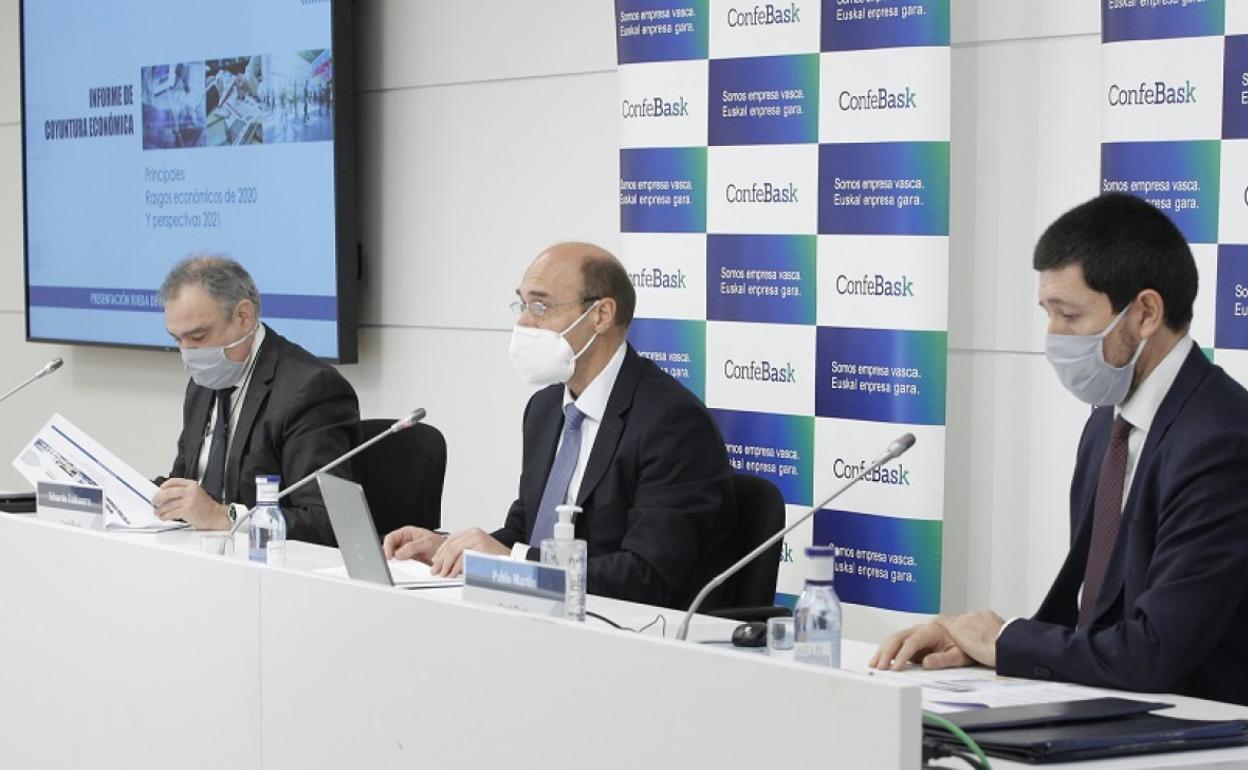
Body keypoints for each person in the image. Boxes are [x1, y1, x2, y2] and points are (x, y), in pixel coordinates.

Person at [870, 193, 1248, 705]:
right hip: (1122, 714)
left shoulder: (1220, 441)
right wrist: (980, 647)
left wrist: (1006, 640)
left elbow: (1153, 654)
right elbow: (1092, 617)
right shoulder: (1108, 424)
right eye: (1047, 313)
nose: (1053, 337)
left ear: (1145, 313)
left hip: (1207, 731)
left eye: (1069, 315)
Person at [383, 242, 740, 610]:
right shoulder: (546, 408)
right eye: (521, 305)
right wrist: (451, 549)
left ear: (601, 314)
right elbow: (526, 531)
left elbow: (645, 576)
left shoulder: (672, 424)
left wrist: (512, 563)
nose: (523, 322)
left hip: (631, 637)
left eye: (540, 306)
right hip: (543, 617)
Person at [153, 255, 360, 545]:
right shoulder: (202, 384)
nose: (187, 354)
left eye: (198, 336)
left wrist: (225, 517)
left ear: (243, 316)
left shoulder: (310, 389)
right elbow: (186, 484)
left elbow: (328, 521)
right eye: (177, 339)